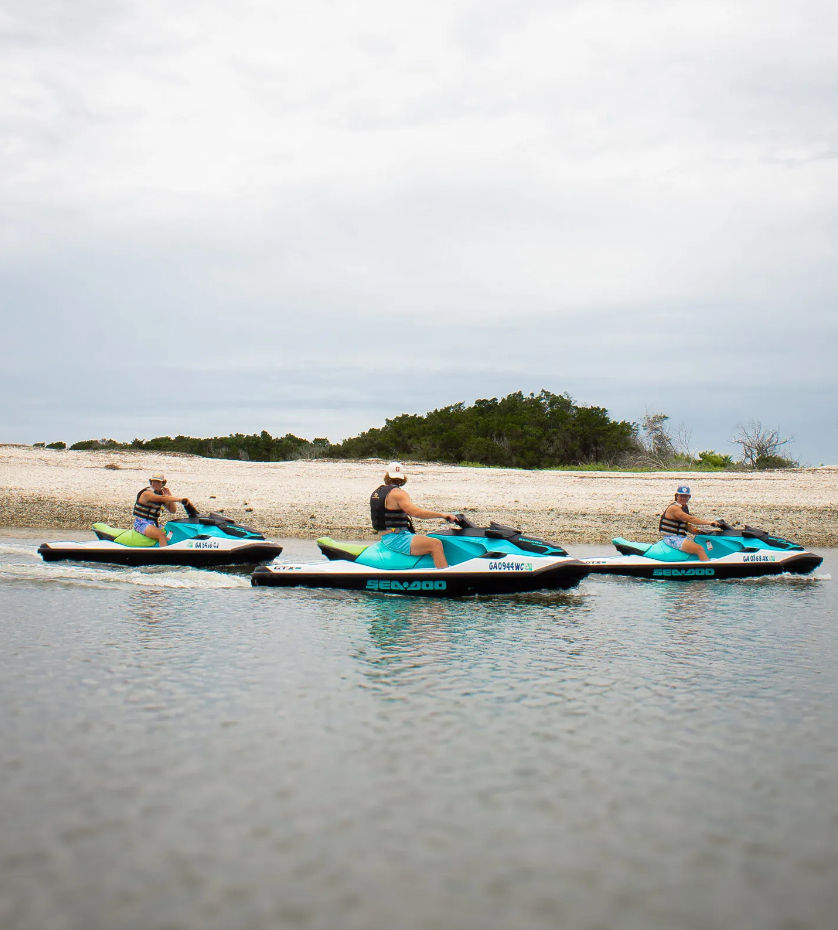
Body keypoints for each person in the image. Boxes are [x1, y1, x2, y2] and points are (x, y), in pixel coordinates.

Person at [370, 462, 456, 568]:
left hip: (387, 536)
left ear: (387, 476)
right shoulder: (398, 493)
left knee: (428, 539)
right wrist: (442, 515)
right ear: (403, 478)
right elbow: (416, 512)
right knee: (435, 544)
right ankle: (445, 579)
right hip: (397, 538)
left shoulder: (378, 493)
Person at [659, 485, 720, 561]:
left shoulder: (684, 508)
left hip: (680, 537)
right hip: (672, 538)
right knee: (699, 549)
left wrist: (705, 532)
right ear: (676, 496)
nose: (683, 498)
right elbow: (691, 519)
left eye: (686, 496)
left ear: (689, 497)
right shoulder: (674, 508)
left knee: (702, 545)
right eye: (681, 496)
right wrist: (709, 523)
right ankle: (709, 569)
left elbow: (689, 528)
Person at [133, 473, 192, 547]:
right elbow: (162, 498)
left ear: (163, 483)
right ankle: (164, 557)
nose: (156, 484)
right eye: (154, 481)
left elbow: (173, 510)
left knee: (170, 534)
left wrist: (169, 495)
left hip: (153, 523)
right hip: (141, 523)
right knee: (161, 535)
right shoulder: (147, 493)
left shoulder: (161, 494)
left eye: (158, 482)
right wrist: (180, 499)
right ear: (151, 482)